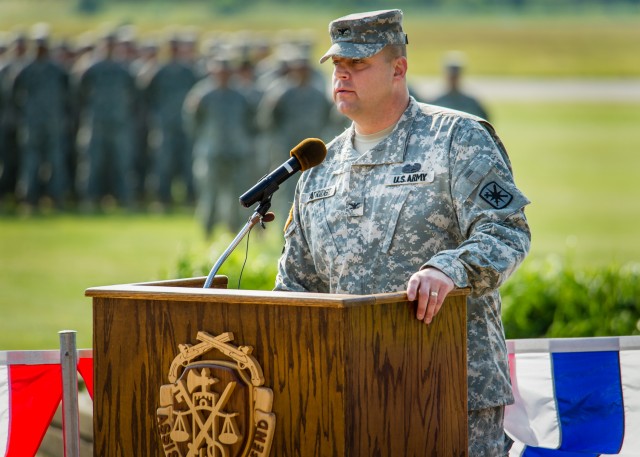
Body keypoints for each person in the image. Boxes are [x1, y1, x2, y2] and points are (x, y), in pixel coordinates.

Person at [274, 9, 531, 456]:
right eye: (338, 66)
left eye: (358, 65)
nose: (343, 76)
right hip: (347, 395)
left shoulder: (457, 138)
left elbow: (506, 232)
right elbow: (296, 284)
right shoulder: (318, 169)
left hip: (449, 391)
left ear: (399, 68)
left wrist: (450, 269)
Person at [430, 50, 490, 120]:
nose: (453, 80)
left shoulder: (471, 101)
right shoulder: (435, 100)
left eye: (455, 76)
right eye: (451, 76)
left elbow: (484, 121)